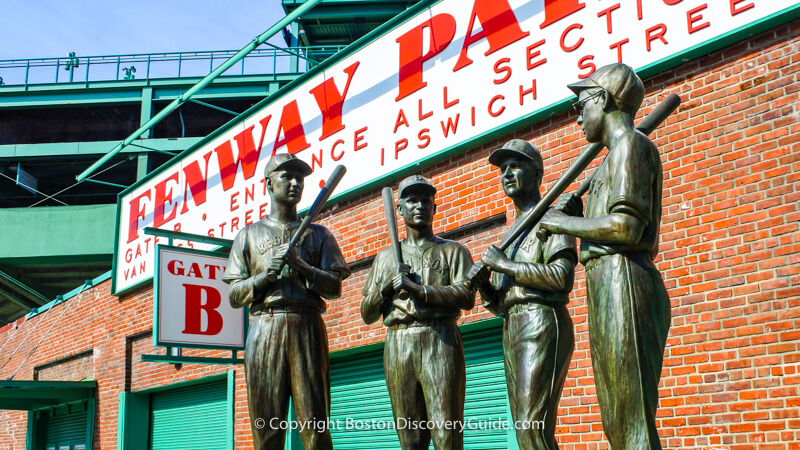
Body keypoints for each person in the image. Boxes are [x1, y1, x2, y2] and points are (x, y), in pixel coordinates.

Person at [539, 63, 671, 449]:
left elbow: (625, 228)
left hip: (625, 278)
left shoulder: (632, 145)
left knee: (631, 421)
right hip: (605, 280)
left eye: (581, 103)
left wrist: (562, 223)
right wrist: (577, 215)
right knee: (616, 417)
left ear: (604, 99)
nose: (577, 114)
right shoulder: (612, 158)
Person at [223, 153, 351, 450]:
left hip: (306, 324)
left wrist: (301, 266)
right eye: (287, 177)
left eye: (301, 179)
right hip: (264, 326)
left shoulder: (318, 234)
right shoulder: (248, 235)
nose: (295, 183)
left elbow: (334, 288)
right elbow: (233, 295)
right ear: (268, 183)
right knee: (267, 427)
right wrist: (264, 277)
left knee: (315, 425)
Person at [468, 139, 577, 450]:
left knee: (532, 428)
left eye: (516, 166)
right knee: (524, 430)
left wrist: (505, 264)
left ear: (537, 173)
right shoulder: (511, 231)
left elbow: (561, 278)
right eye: (503, 169)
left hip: (541, 319)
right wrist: (485, 286)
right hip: (513, 325)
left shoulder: (553, 216)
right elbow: (503, 304)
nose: (507, 174)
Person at [361, 175, 474, 450]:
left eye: (426, 200)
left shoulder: (453, 250)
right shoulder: (386, 257)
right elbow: (366, 313)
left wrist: (420, 291)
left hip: (441, 338)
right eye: (412, 200)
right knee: (410, 439)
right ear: (399, 209)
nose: (420, 205)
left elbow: (467, 296)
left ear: (435, 208)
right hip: (399, 343)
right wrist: (387, 286)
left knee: (447, 435)